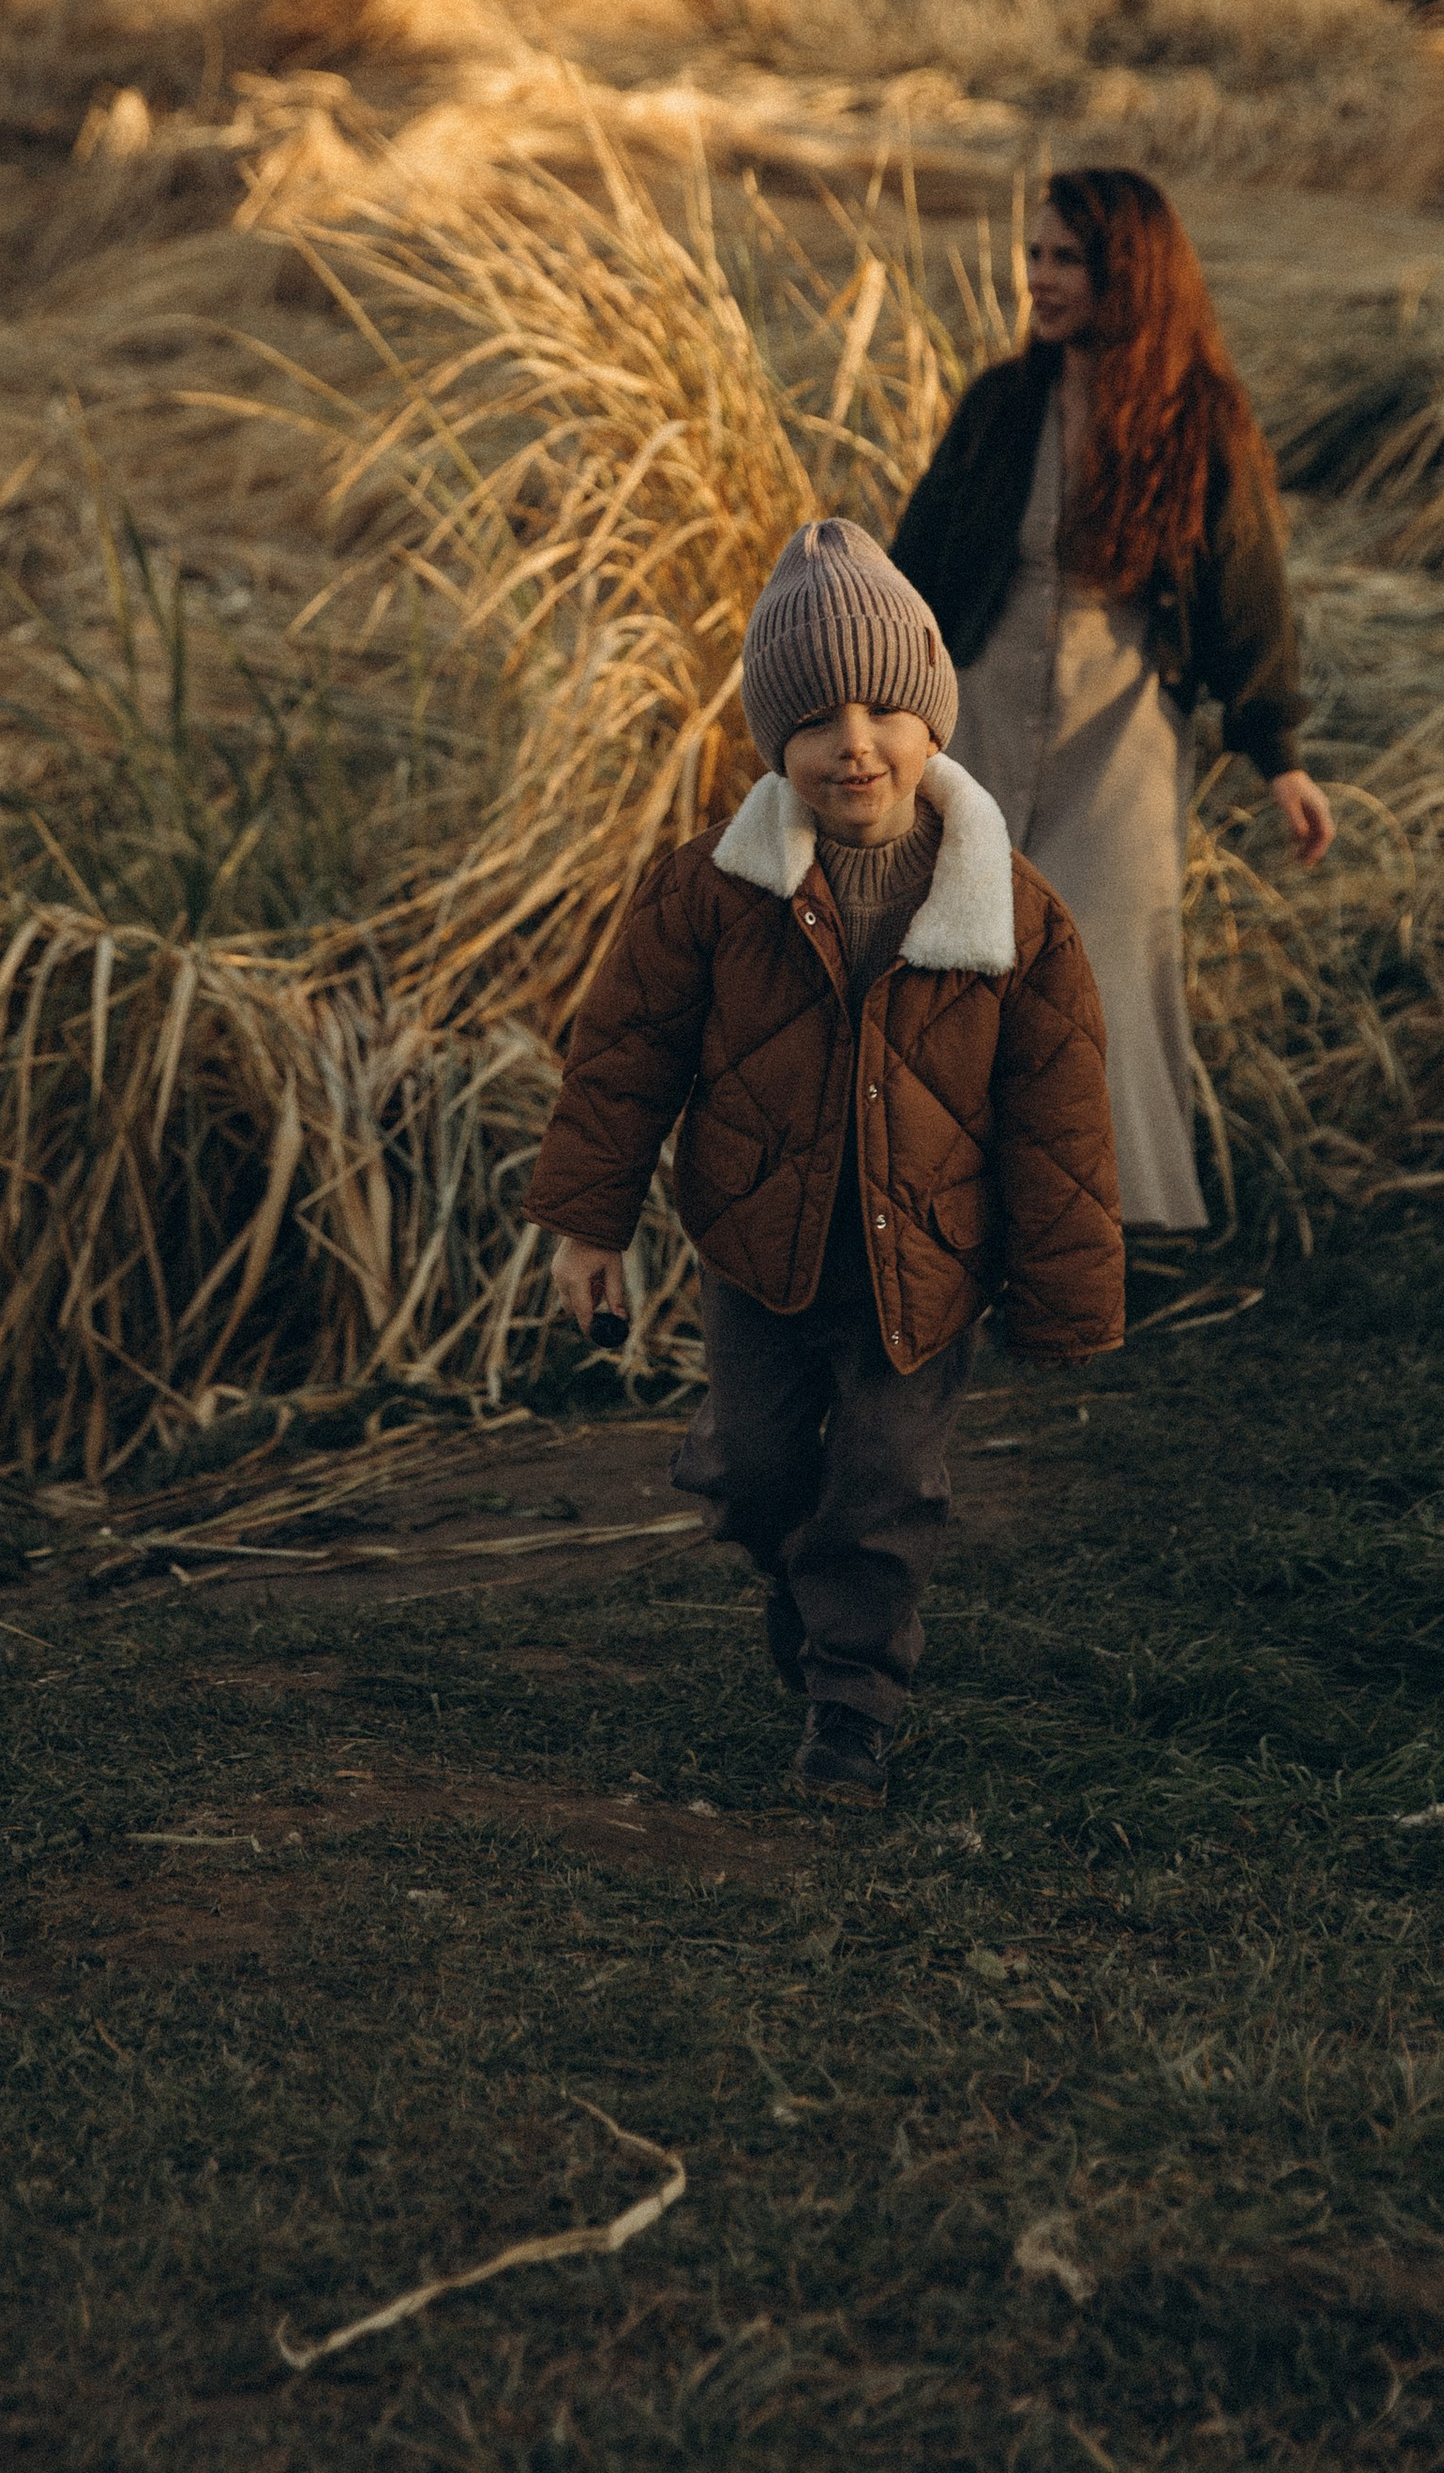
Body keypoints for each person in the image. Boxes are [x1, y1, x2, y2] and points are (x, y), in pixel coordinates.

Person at [526, 518, 1123, 1810]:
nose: (854, 742)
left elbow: (1057, 1113)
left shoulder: (1010, 909)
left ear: (932, 724)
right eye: (815, 720)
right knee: (755, 1470)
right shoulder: (708, 892)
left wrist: (1064, 1292)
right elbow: (626, 1057)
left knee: (887, 1482)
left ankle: (850, 1706)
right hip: (760, 1250)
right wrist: (591, 1227)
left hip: (928, 1265)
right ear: (773, 742)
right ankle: (796, 1575)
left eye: (883, 710)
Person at [889, 165, 1332, 1239]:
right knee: (971, 962)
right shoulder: (1002, 404)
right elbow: (920, 557)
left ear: (1125, 273)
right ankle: (963, 1223)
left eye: (1065, 259)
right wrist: (878, 704)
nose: (1037, 278)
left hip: (1123, 723)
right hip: (986, 706)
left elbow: (1244, 586)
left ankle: (1097, 1228)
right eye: (1034, 254)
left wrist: (1276, 751)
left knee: (1097, 969)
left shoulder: (1198, 420)